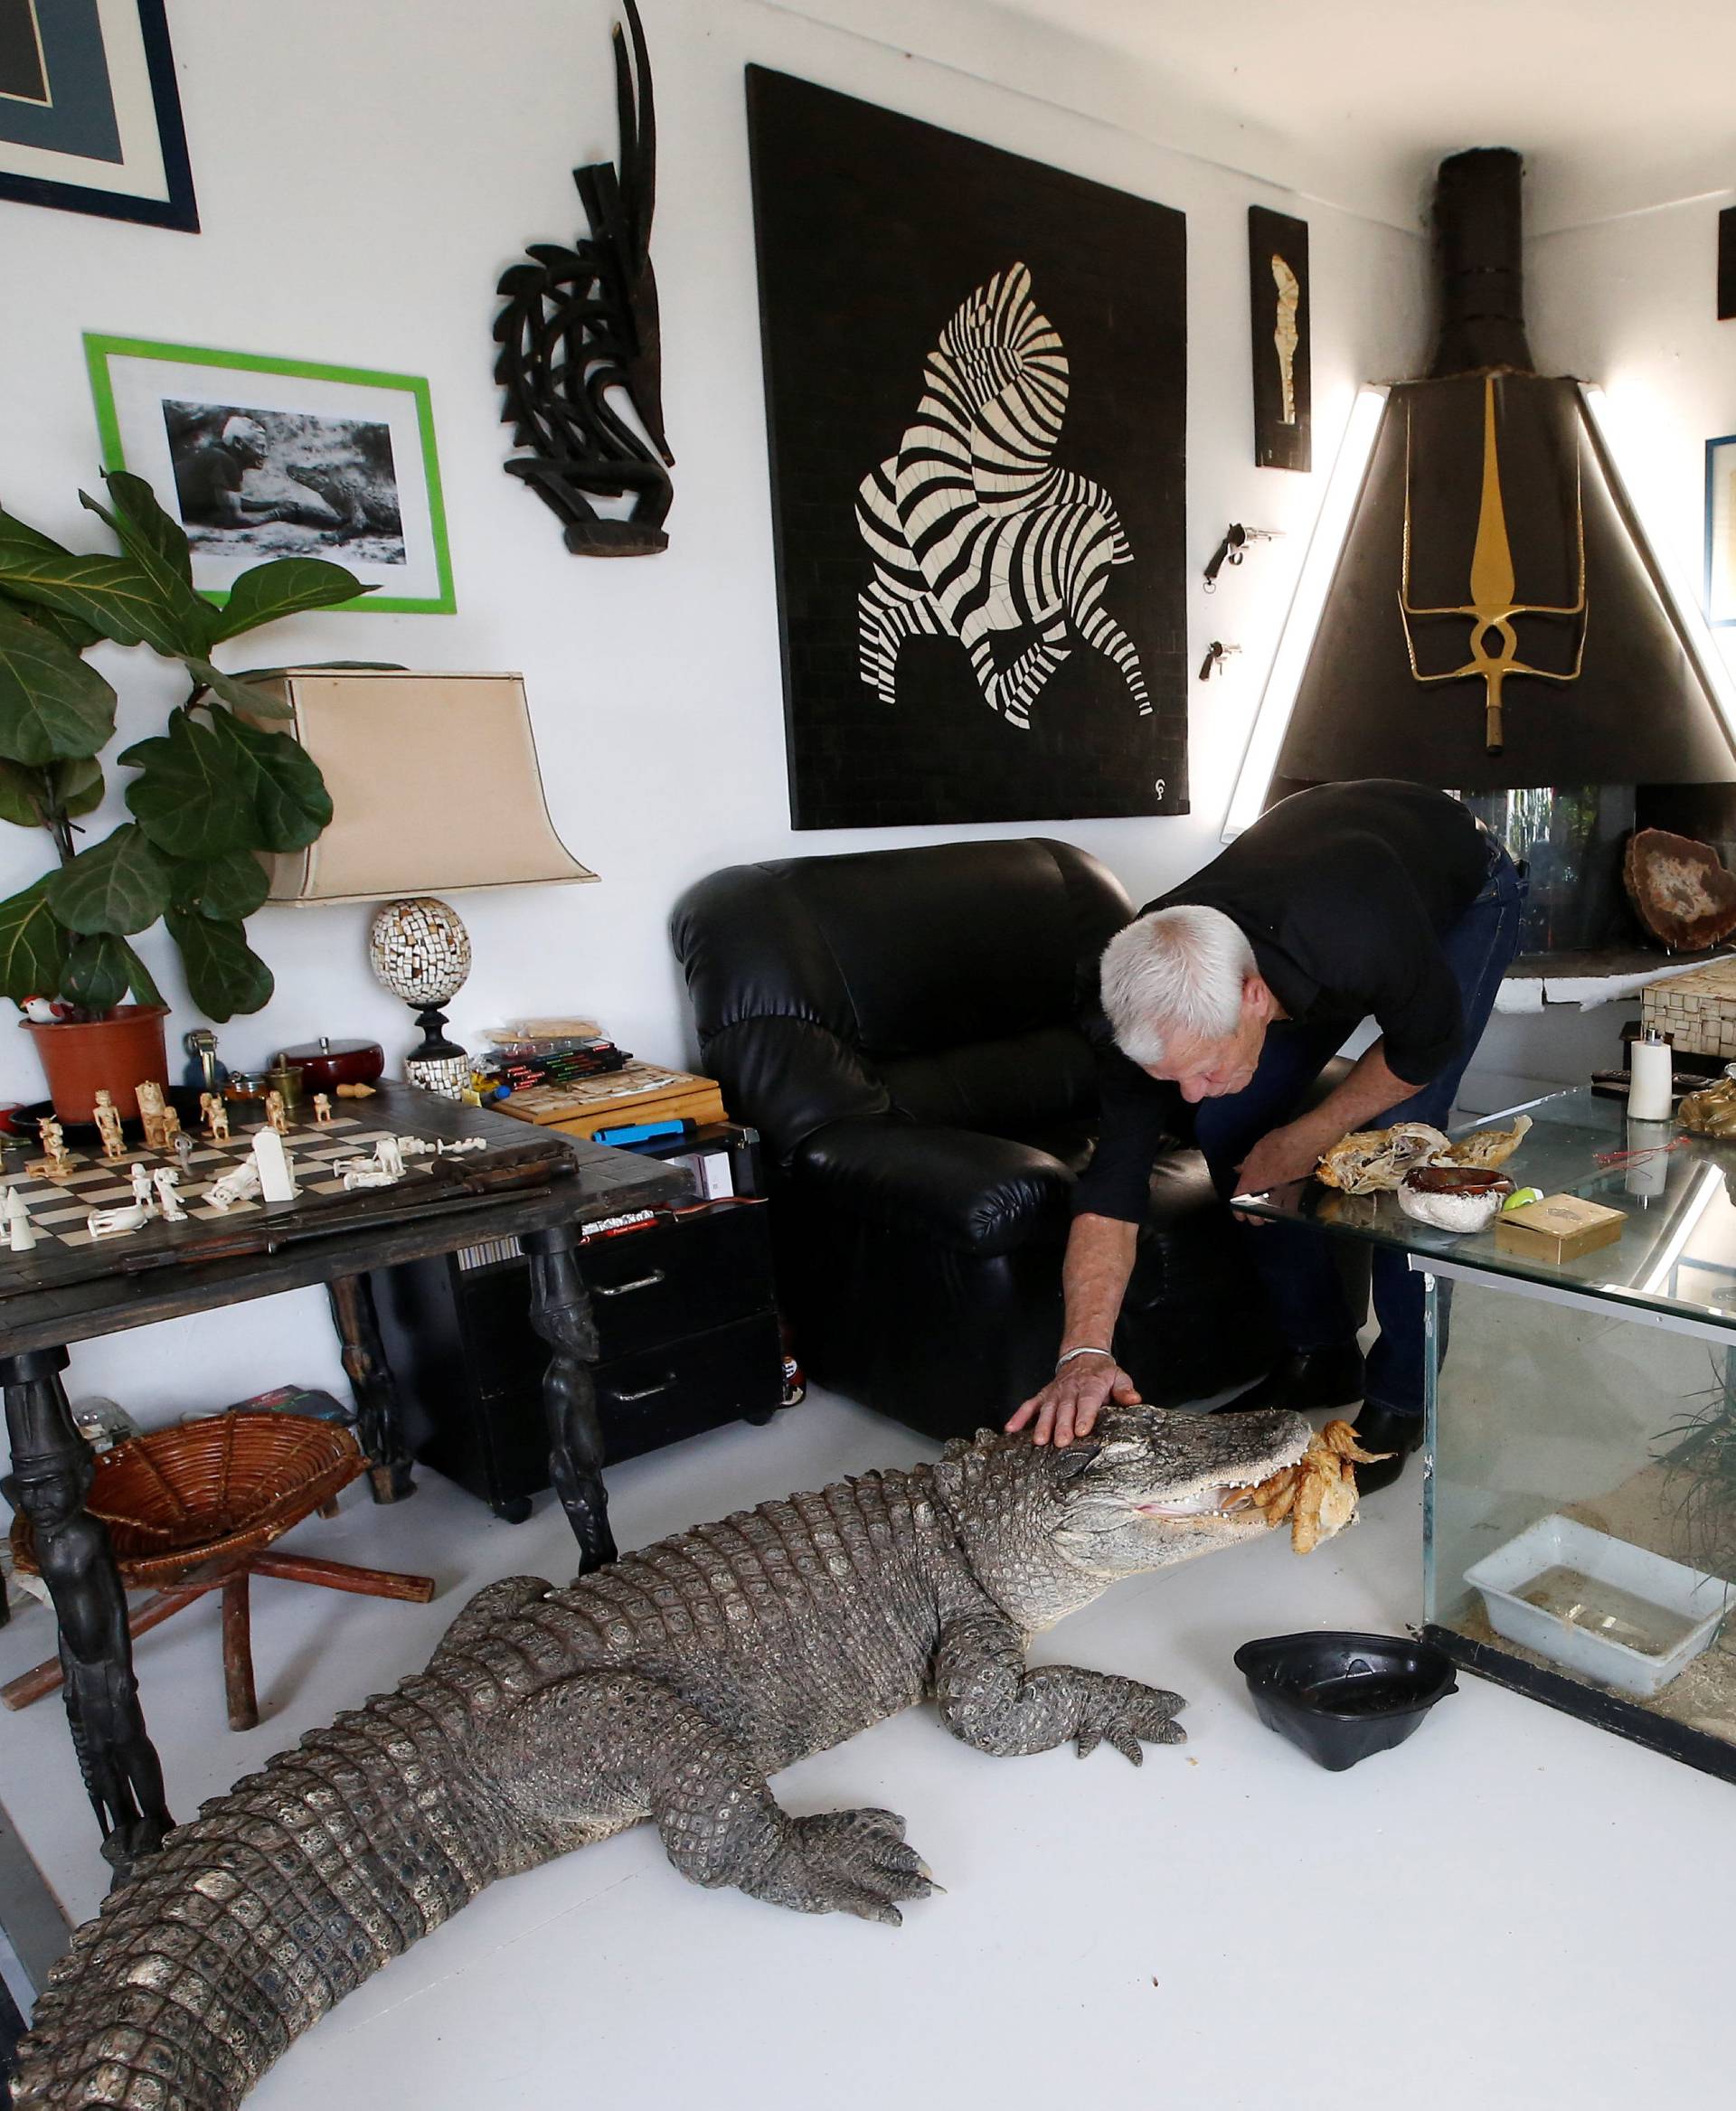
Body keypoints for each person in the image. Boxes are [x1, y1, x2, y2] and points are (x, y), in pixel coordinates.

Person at [1006, 779, 1525, 1490]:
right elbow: (1114, 1189)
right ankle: (1319, 1350)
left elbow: (1420, 1051)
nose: (1181, 1095)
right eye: (1173, 1075)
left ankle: (1403, 1400)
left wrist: (1302, 1140)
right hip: (1311, 892)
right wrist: (1083, 1353)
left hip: (1458, 884)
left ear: (1255, 1000)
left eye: (1203, 1066)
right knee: (1226, 1117)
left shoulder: (1354, 932)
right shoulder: (1135, 1001)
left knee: (1404, 1143)